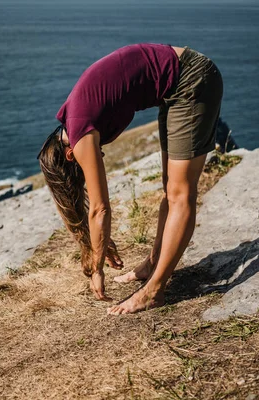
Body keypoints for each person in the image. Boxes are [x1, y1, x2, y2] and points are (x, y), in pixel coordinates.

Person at [37, 43, 223, 315]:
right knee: (169, 191)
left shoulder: (78, 134)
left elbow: (100, 209)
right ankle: (152, 265)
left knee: (181, 194)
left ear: (68, 156)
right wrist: (95, 247)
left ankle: (154, 291)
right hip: (175, 85)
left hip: (192, 78)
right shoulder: (70, 119)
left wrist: (97, 268)